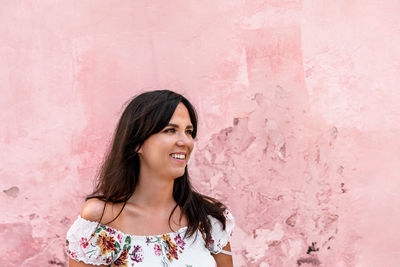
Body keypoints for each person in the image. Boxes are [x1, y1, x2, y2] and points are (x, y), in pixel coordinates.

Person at [65, 90, 235, 267]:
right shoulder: (101, 222)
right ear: (137, 143)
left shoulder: (207, 217)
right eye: (170, 130)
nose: (185, 141)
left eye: (188, 131)